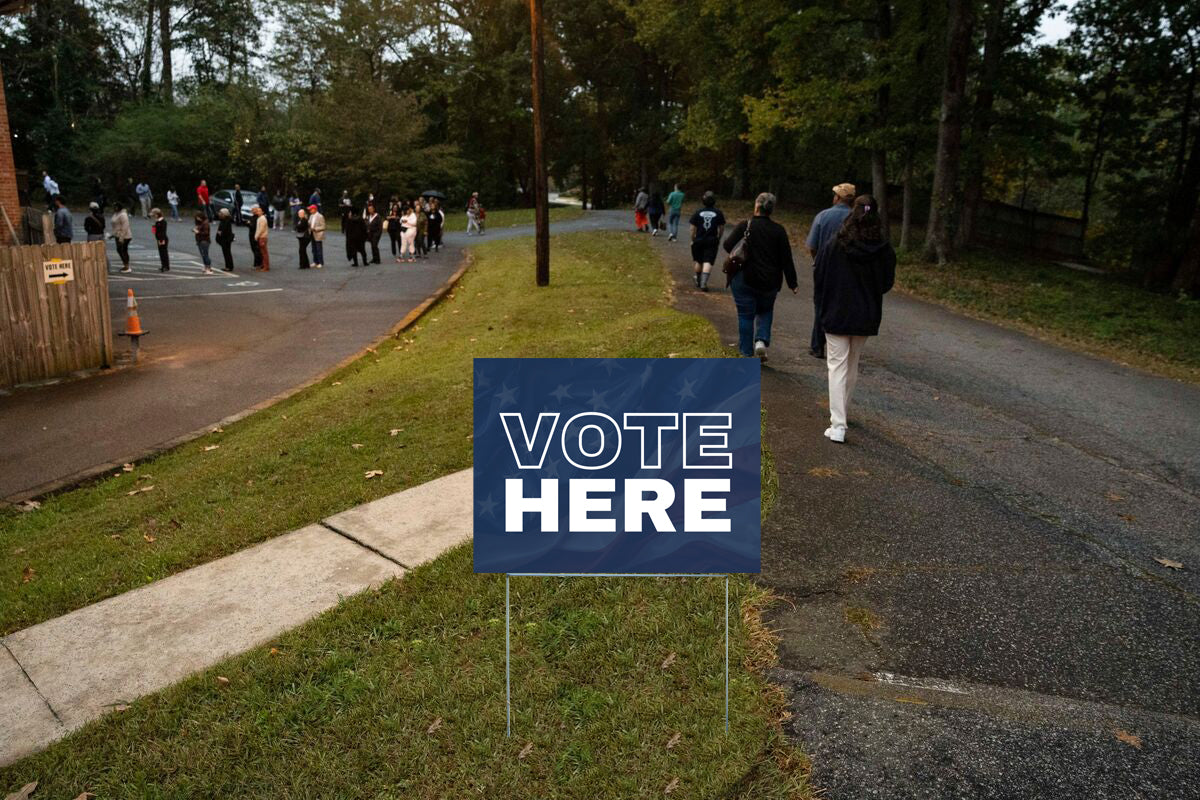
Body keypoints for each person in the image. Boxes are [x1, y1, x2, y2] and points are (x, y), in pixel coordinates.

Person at [814, 194, 896, 444]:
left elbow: (820, 274)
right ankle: (843, 414)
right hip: (865, 313)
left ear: (853, 212)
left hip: (837, 310)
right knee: (852, 364)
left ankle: (838, 424)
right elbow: (886, 282)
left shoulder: (836, 243)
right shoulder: (883, 248)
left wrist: (822, 305)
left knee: (836, 365)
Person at [722, 192, 797, 360]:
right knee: (765, 310)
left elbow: (728, 246)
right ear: (771, 209)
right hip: (770, 281)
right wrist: (793, 283)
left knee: (745, 315)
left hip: (745, 279)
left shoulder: (745, 226)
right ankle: (761, 341)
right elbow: (787, 259)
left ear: (756, 206)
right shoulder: (779, 231)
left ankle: (746, 353)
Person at [805, 182, 856, 359]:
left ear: (837, 198)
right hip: (850, 270)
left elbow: (812, 245)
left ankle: (817, 345)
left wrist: (817, 260)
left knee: (821, 304)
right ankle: (843, 346)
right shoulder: (856, 218)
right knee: (844, 305)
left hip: (824, 269)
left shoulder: (823, 216)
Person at [688, 191, 725, 291]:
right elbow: (721, 228)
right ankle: (704, 283)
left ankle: (698, 279)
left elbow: (692, 228)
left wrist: (693, 239)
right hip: (712, 240)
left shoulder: (697, 212)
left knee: (698, 261)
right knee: (707, 261)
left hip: (699, 240)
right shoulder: (718, 213)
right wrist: (719, 237)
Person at [111, 202, 132, 272]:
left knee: (123, 250)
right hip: (118, 235)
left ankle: (127, 266)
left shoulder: (123, 214)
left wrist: (121, 237)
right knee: (119, 250)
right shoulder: (116, 214)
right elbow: (116, 226)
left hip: (125, 236)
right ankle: (125, 265)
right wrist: (113, 235)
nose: (114, 208)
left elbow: (125, 226)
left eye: (115, 206)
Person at [215, 207, 235, 272]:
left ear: (224, 214)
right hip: (225, 239)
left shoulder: (227, 221)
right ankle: (227, 266)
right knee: (226, 253)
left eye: (221, 213)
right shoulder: (223, 220)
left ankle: (229, 266)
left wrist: (220, 232)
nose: (219, 214)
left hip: (226, 240)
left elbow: (225, 230)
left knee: (227, 253)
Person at [253, 206, 270, 271]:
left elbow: (261, 229)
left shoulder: (262, 219)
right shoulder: (259, 218)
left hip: (262, 237)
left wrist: (256, 236)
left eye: (259, 211)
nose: (258, 212)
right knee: (262, 252)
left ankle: (266, 266)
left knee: (264, 253)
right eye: (257, 211)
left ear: (262, 212)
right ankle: (263, 265)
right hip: (261, 237)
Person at [308, 204, 325, 268]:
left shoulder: (320, 216)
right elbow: (309, 223)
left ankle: (320, 262)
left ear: (314, 209)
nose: (310, 210)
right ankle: (315, 261)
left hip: (318, 234)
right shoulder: (311, 216)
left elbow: (323, 226)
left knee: (319, 249)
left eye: (311, 209)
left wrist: (316, 229)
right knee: (313, 249)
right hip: (312, 234)